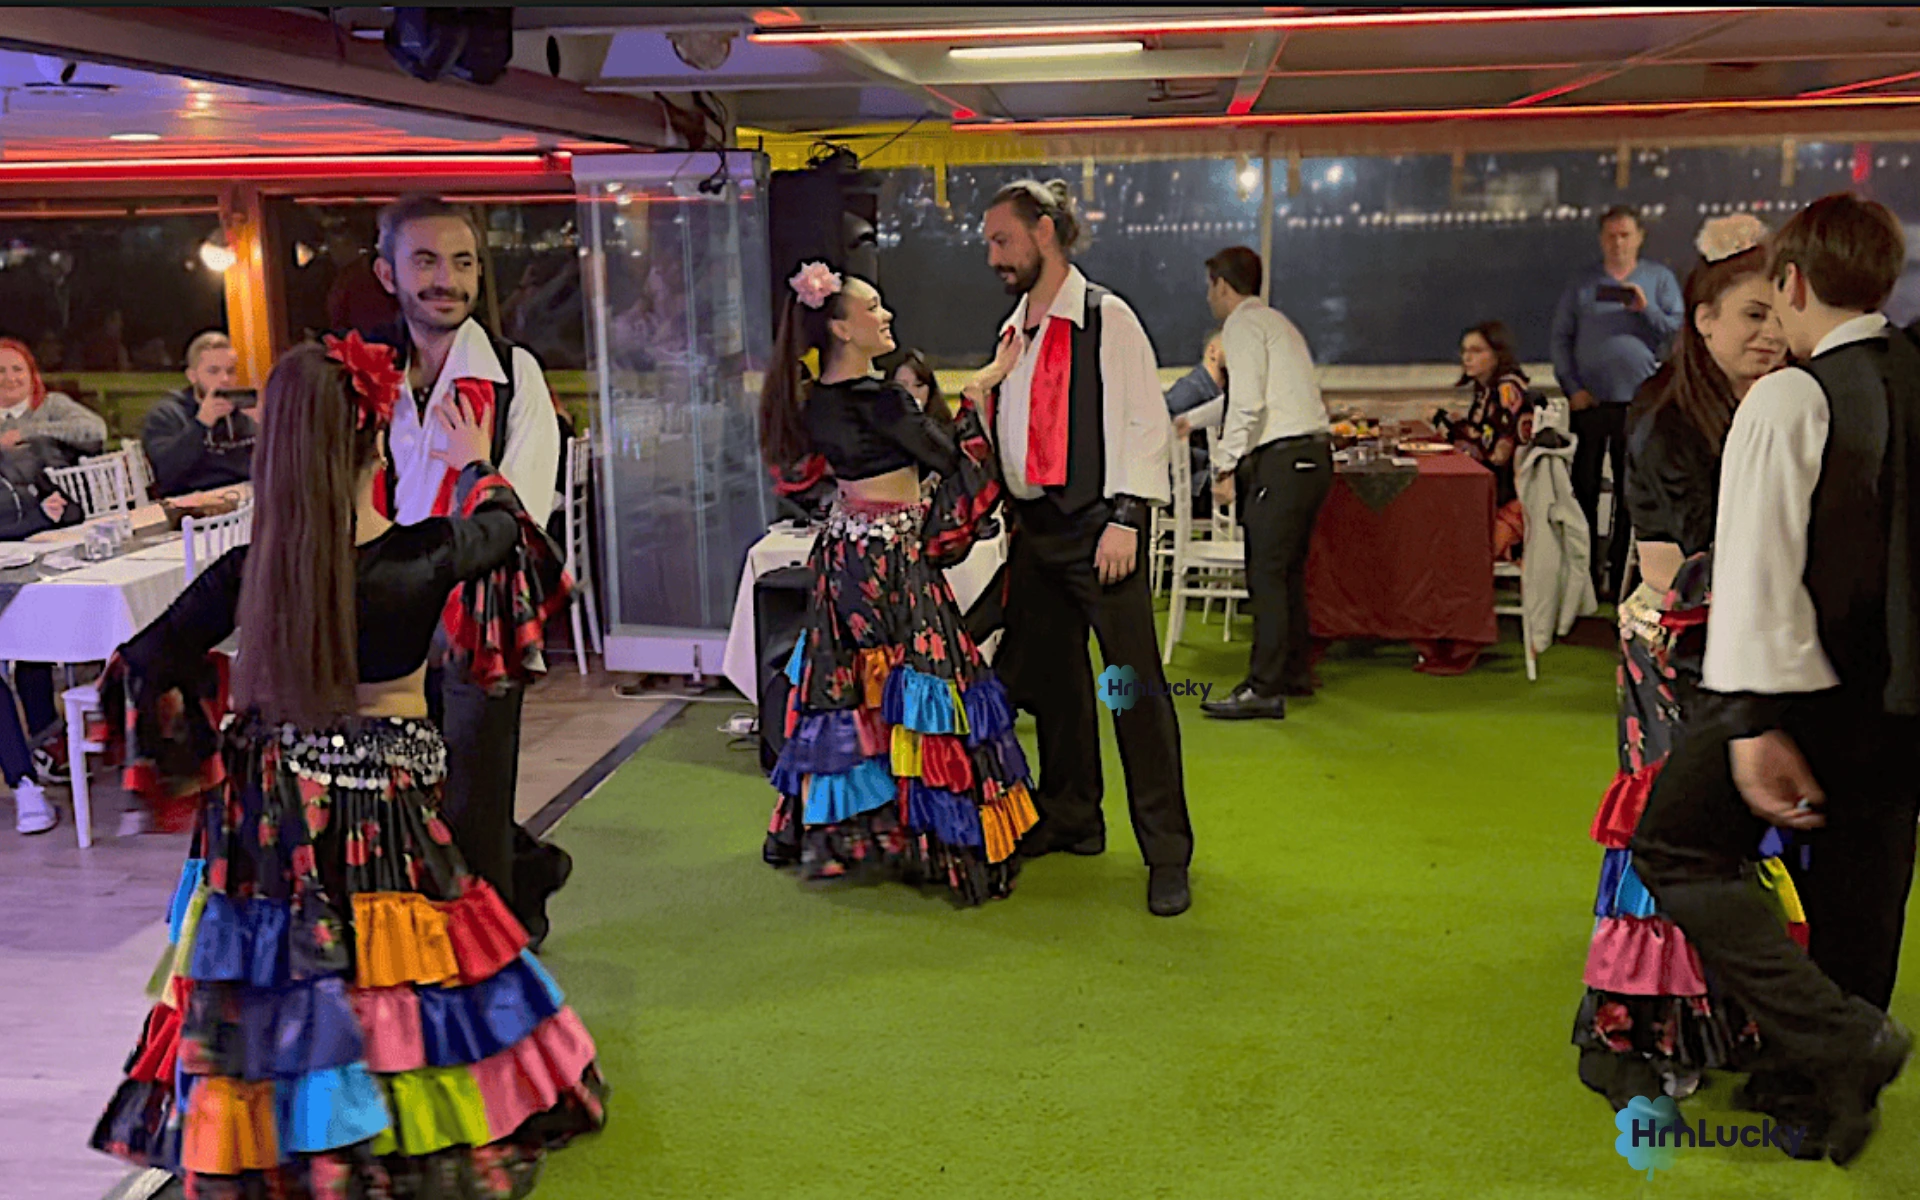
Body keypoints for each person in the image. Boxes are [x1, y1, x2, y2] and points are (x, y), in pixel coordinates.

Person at [90, 335, 603, 1191]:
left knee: (290, 973)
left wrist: (216, 739)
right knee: (404, 967)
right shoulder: (422, 557)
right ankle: (399, 1134)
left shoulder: (252, 572)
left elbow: (141, 662)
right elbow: (513, 535)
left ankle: (299, 1138)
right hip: (386, 804)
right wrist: (474, 460)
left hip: (269, 811)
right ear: (376, 440)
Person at [1633, 193, 1920, 1166]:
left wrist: (1751, 721)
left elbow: (1755, 572)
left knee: (1673, 849)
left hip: (1795, 690)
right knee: (1865, 889)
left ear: (1792, 282)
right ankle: (1818, 1098)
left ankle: (1841, 1043)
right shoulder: (1914, 375)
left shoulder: (1790, 397)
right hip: (1901, 694)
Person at [1568, 214, 1789, 1109]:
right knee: (1669, 842)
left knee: (1731, 846)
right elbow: (1672, 571)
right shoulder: (1667, 412)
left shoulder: (1769, 403)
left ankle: (1726, 1014)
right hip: (1678, 657)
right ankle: (1635, 1031)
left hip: (1744, 650)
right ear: (1700, 319)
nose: (1771, 333)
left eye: (1780, 314)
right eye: (1751, 316)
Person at [758, 261, 1037, 904]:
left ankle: (858, 834)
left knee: (849, 690)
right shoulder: (882, 399)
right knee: (931, 689)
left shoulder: (814, 402)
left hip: (842, 562)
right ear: (841, 328)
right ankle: (944, 845)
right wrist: (981, 388)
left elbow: (805, 479)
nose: (885, 316)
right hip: (894, 565)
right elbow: (951, 456)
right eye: (873, 308)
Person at [981, 178, 1194, 916]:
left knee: (1127, 691)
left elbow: (1145, 420)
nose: (993, 257)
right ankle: (1074, 816)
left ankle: (1167, 853)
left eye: (1002, 240)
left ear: (1045, 232)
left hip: (1101, 530)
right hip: (1037, 534)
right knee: (1061, 687)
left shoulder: (1108, 318)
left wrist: (1128, 516)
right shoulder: (1017, 330)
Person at [368, 193, 565, 943]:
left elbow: (525, 523)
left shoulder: (514, 375)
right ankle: (520, 876)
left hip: (478, 615)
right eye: (425, 260)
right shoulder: (363, 373)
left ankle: (494, 950)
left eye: (462, 262)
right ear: (388, 273)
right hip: (382, 612)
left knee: (475, 794)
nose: (446, 279)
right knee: (402, 785)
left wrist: (473, 464)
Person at [1195, 246, 1332, 720]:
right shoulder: (1278, 323)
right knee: (1288, 573)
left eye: (1210, 285)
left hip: (1284, 459)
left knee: (1267, 576)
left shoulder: (1243, 326)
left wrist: (1223, 466)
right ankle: (1294, 672)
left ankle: (1264, 686)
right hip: (1314, 457)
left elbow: (1247, 403)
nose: (1208, 295)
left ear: (1223, 285)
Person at [1552, 205, 1684, 600]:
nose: (1618, 242)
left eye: (1625, 235)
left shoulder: (1659, 280)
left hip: (1640, 405)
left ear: (1640, 237)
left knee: (1634, 493)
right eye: (1611, 235)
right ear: (1601, 239)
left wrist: (1647, 310)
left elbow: (1677, 333)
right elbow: (1561, 338)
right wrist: (1572, 387)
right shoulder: (1582, 283)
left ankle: (1628, 581)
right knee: (1585, 488)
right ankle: (1585, 578)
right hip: (1590, 403)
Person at [1442, 321, 1535, 561]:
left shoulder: (1507, 391)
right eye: (1464, 351)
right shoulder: (1484, 390)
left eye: (1476, 351)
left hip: (1504, 490)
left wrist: (1450, 426)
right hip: (1487, 483)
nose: (1467, 358)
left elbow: (1496, 454)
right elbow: (1481, 433)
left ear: (1497, 354)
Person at [141, 331, 257, 498]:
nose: (224, 379)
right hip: (192, 505)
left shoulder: (241, 414)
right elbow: (165, 474)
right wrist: (201, 424)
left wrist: (264, 428)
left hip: (242, 499)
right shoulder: (166, 414)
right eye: (213, 371)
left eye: (230, 371)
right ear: (192, 376)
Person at [0, 336, 108, 469]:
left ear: (32, 375)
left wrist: (25, 433)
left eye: (18, 369)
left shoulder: (52, 404)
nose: (10, 378)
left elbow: (95, 430)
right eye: (1, 371)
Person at [1167, 331, 1226, 507]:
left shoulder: (1216, 391)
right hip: (1194, 487)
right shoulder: (1189, 390)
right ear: (1213, 351)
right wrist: (1211, 459)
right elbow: (1165, 437)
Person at [892, 348, 954, 423]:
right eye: (901, 385)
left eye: (918, 385)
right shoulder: (880, 424)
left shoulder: (942, 423)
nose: (911, 392)